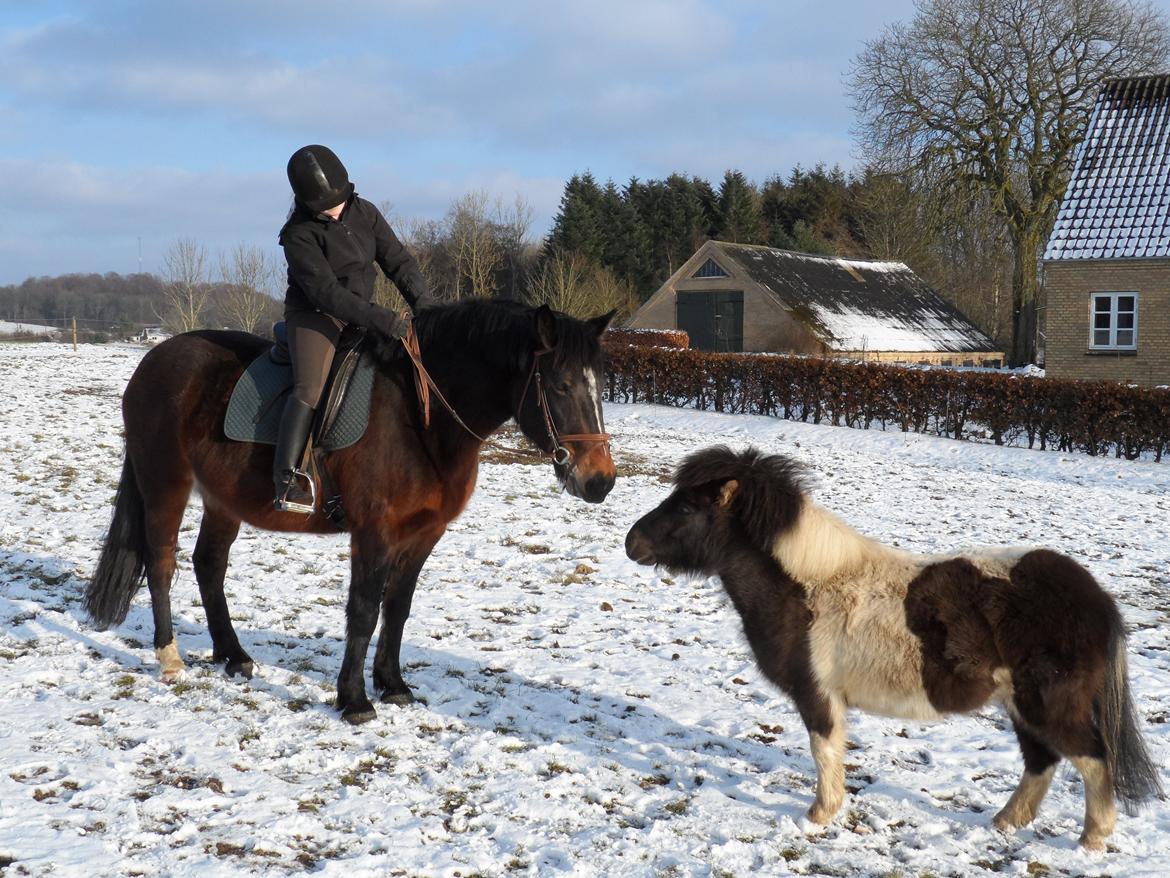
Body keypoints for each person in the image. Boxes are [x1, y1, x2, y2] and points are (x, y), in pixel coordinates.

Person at [274, 144, 435, 513]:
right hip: (316, 315)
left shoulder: (365, 212)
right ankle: (288, 477)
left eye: (338, 200)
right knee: (311, 386)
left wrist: (425, 307)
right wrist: (382, 318)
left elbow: (399, 261)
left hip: (364, 312)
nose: (333, 209)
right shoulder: (298, 235)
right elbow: (327, 294)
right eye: (323, 206)